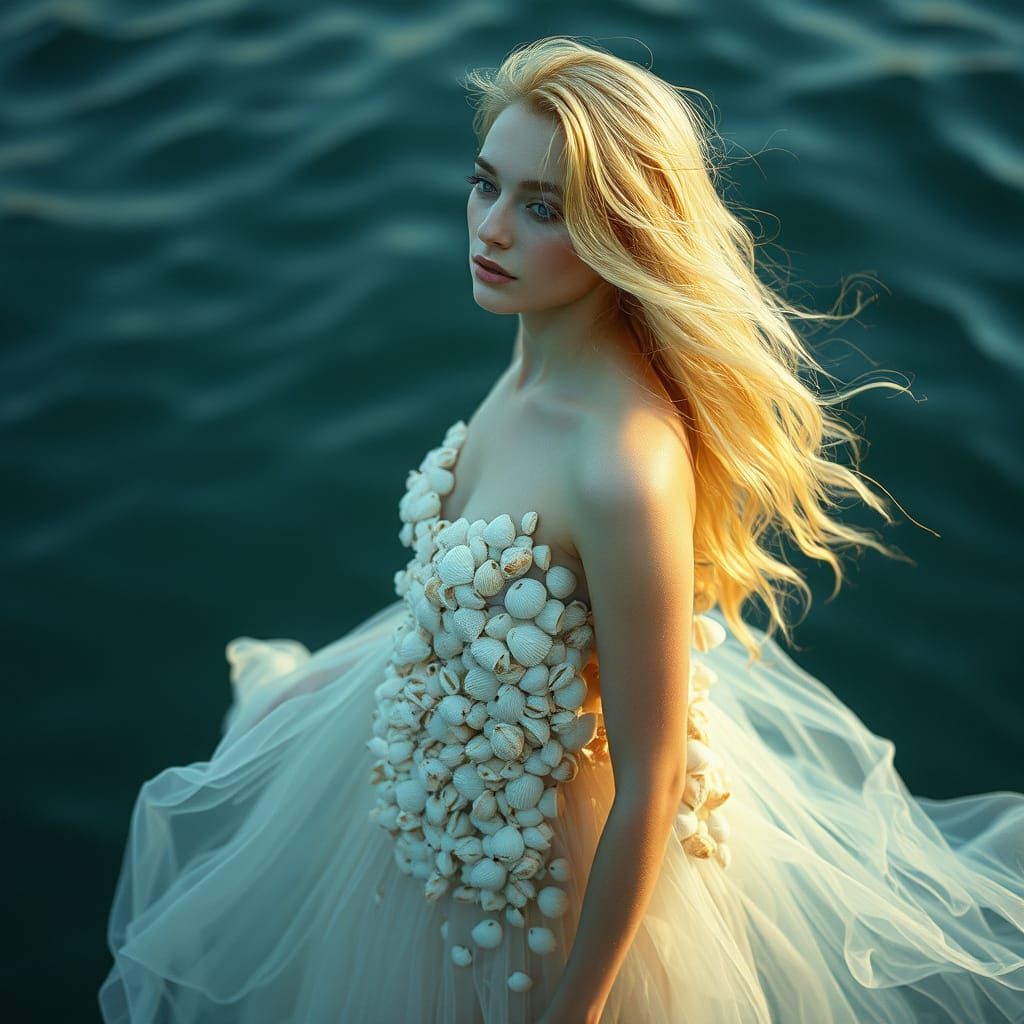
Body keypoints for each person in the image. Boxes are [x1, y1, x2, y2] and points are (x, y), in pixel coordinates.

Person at [99, 36, 1024, 1024]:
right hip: (438, 804)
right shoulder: (534, 350)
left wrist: (575, 1010)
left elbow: (653, 775)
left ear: (618, 231)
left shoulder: (620, 462)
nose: (490, 230)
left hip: (538, 887)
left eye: (542, 208)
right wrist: (329, 678)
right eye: (484, 185)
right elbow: (479, 585)